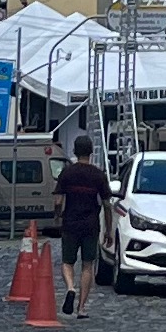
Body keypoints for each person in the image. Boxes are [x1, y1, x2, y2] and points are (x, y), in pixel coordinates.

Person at [53, 133, 109, 317]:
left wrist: (57, 216)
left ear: (75, 152)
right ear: (91, 152)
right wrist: (108, 229)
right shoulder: (98, 175)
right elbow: (107, 204)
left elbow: (58, 200)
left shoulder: (67, 173)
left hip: (70, 222)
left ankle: (70, 287)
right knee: (87, 265)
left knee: (67, 262)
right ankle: (82, 307)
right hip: (91, 224)